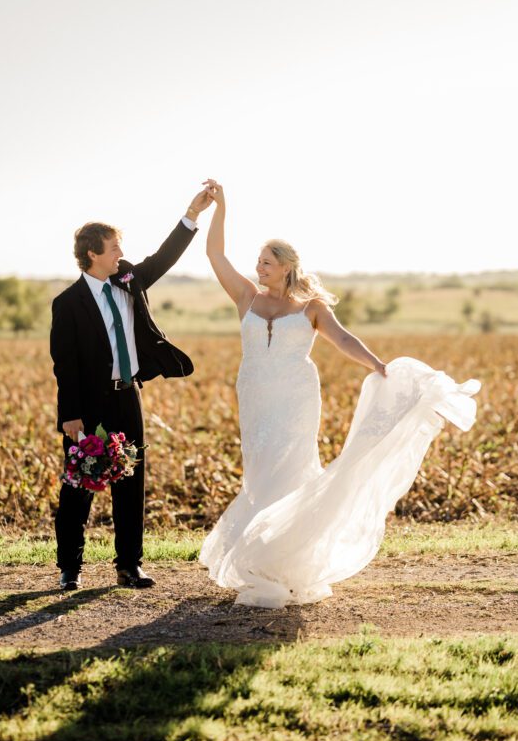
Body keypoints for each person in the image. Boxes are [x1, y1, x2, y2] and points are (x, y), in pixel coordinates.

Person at [199, 180, 480, 608]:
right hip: (254, 395)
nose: (259, 268)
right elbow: (214, 254)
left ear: (287, 267)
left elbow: (344, 339)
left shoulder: (311, 306)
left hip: (296, 398)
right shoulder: (246, 297)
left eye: (267, 262)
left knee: (291, 467)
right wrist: (220, 207)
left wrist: (378, 365)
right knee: (259, 471)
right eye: (258, 262)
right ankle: (263, 554)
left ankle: (282, 562)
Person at [50, 186, 214, 591]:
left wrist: (192, 214)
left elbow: (163, 258)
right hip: (88, 405)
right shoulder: (67, 303)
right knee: (79, 484)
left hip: (128, 396)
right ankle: (70, 568)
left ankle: (129, 566)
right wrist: (70, 415)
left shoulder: (129, 281)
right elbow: (65, 365)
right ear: (93, 253)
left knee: (131, 481)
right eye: (113, 248)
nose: (120, 254)